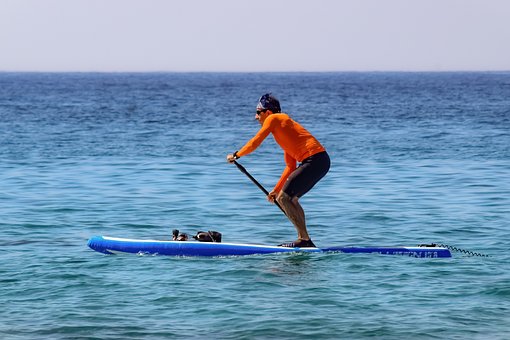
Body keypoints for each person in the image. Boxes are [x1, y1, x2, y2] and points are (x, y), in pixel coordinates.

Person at [227, 93, 330, 247]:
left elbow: (255, 142)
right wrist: (275, 190)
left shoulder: (274, 118)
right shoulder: (284, 130)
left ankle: (304, 240)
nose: (256, 117)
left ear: (267, 112)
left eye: (258, 112)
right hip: (321, 162)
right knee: (291, 199)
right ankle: (305, 240)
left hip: (315, 160)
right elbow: (290, 167)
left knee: (284, 199)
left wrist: (236, 155)